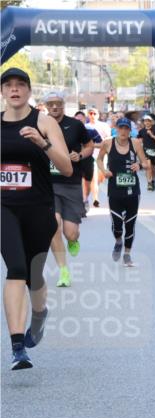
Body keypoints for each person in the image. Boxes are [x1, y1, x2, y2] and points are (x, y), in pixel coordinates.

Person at [1, 67, 72, 370]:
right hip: (4, 207)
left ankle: (39, 314)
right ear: (3, 92)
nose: (14, 90)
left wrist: (42, 143)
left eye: (20, 85)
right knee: (16, 267)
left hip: (38, 208)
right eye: (8, 85)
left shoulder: (43, 122)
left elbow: (67, 167)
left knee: (34, 274)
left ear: (29, 91)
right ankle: (18, 347)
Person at [42, 91, 93, 289]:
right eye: (51, 104)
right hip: (48, 184)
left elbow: (89, 146)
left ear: (63, 105)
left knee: (71, 233)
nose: (55, 107)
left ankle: (72, 240)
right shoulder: (40, 124)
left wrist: (80, 155)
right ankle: (63, 270)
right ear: (46, 106)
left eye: (58, 104)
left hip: (71, 183)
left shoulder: (76, 125)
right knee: (53, 225)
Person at [98, 117, 149, 267]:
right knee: (117, 224)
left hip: (133, 190)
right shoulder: (108, 143)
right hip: (114, 190)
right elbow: (99, 159)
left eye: (126, 128)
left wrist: (139, 165)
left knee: (130, 224)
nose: (123, 131)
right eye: (121, 128)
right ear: (116, 129)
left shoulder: (136, 143)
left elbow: (146, 163)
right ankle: (118, 241)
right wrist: (104, 170)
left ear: (130, 130)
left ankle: (127, 254)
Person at [75, 111, 102, 216]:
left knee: (87, 182)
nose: (79, 121)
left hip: (87, 159)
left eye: (81, 119)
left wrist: (90, 146)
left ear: (84, 120)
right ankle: (79, 203)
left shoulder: (90, 130)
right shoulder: (69, 130)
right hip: (74, 160)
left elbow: (101, 144)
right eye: (77, 119)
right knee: (76, 182)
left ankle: (85, 200)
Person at [137, 114, 155, 191]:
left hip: (154, 150)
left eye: (148, 121)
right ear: (144, 122)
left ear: (151, 122)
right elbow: (139, 139)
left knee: (153, 169)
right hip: (146, 150)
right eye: (145, 121)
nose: (147, 122)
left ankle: (153, 181)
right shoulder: (142, 131)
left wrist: (151, 135)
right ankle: (149, 183)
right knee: (148, 167)